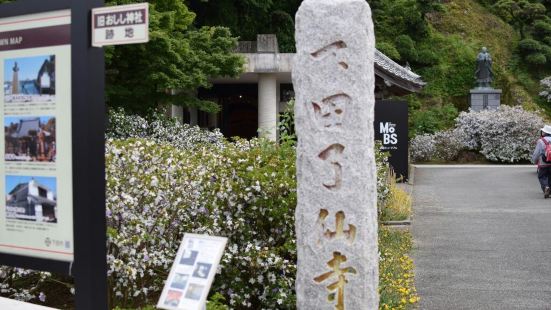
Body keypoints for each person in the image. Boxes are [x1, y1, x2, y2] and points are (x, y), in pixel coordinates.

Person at [532, 125, 551, 198]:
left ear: (545, 133)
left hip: (544, 162)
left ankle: (546, 187)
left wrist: (534, 160)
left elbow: (537, 153)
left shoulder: (541, 141)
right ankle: (550, 189)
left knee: (542, 176)